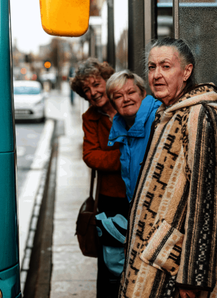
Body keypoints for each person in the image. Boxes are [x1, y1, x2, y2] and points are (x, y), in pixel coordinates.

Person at [120, 38, 217, 298]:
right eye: (151, 67)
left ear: (186, 72)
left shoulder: (201, 115)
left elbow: (206, 200)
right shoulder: (168, 111)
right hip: (153, 257)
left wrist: (193, 278)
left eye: (166, 66)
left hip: (174, 266)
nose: (156, 75)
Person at [70, 58, 128, 298]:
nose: (93, 92)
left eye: (96, 84)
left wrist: (113, 156)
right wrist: (127, 158)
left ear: (107, 80)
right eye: (86, 89)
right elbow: (91, 156)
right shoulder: (90, 118)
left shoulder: (130, 105)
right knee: (110, 262)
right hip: (110, 199)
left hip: (141, 195)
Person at [106, 70, 161, 202]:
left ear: (143, 93)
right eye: (118, 96)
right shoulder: (122, 129)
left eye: (131, 92)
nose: (126, 99)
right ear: (113, 104)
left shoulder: (158, 119)